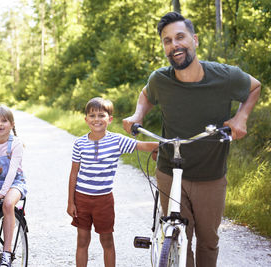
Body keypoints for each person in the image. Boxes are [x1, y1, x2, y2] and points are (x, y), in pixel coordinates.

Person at [122, 12, 261, 267]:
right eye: (167, 41)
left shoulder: (224, 76)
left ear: (194, 39)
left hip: (210, 175)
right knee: (177, 238)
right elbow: (146, 95)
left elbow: (254, 87)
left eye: (180, 37)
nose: (174, 45)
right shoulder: (160, 79)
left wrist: (241, 117)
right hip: (169, 172)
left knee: (208, 241)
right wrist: (137, 114)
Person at [67, 97, 158, 267]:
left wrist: (161, 146)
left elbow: (143, 146)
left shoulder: (117, 141)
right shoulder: (79, 143)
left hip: (104, 201)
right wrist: (70, 202)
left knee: (107, 241)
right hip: (81, 199)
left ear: (109, 119)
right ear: (86, 120)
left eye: (101, 115)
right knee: (82, 241)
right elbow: (73, 174)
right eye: (92, 116)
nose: (96, 120)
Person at [0, 104, 27, 267]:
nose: (0, 124)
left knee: (7, 204)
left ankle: (7, 252)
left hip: (15, 182)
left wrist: (1, 193)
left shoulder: (16, 144)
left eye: (4, 121)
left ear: (12, 124)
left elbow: (12, 171)